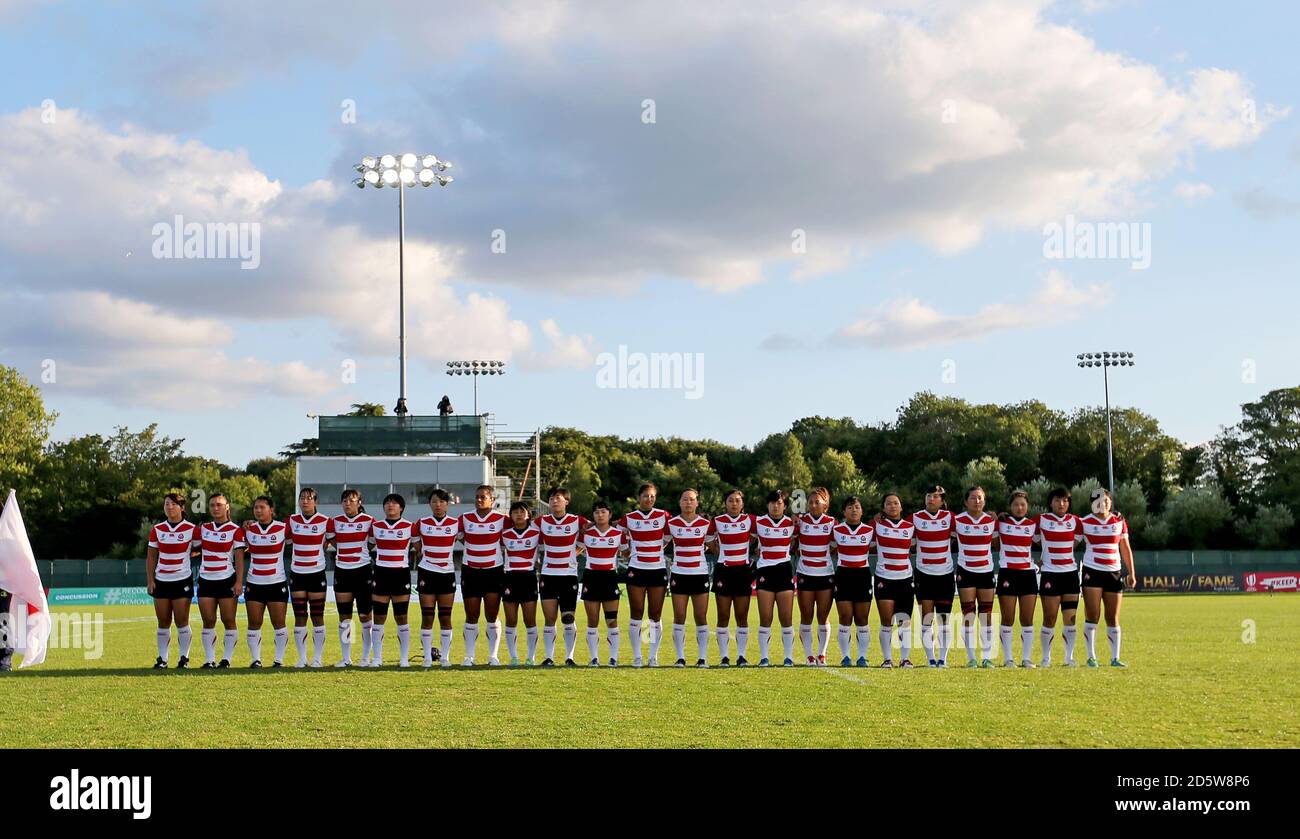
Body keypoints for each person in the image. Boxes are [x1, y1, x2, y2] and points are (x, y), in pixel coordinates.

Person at [1080, 488, 1136, 667]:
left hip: (1114, 572)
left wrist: (1132, 573)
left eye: (1105, 501)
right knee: (1093, 614)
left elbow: (1125, 548)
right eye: (1097, 500)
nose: (1102, 504)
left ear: (1110, 503)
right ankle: (1091, 657)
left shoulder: (1119, 521)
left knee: (1112, 617)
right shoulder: (1084, 522)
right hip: (1092, 571)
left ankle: (1115, 658)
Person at [146, 492, 199, 668]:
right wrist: (150, 579)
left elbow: (203, 548)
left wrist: (190, 554)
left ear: (182, 508)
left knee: (182, 620)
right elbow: (151, 557)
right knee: (163, 621)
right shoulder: (157, 529)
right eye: (167, 504)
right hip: (161, 580)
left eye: (173, 504)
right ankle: (163, 659)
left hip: (182, 580)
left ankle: (184, 658)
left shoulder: (192, 529)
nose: (169, 507)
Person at [620, 483, 671, 667]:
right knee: (636, 613)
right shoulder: (629, 518)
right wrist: (627, 551)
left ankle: (652, 657)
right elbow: (619, 537)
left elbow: (666, 539)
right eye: (645, 496)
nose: (649, 499)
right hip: (636, 569)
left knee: (655, 615)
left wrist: (655, 551)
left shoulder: (663, 516)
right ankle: (637, 656)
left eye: (652, 496)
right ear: (639, 497)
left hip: (657, 569)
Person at [458, 485, 508, 666]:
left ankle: (493, 656)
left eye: (483, 497)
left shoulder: (502, 519)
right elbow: (460, 537)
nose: (479, 500)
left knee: (492, 614)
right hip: (470, 571)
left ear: (492, 500)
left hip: (493, 571)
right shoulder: (464, 518)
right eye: (477, 496)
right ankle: (469, 656)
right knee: (471, 615)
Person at [537, 487, 587, 667]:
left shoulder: (577, 521)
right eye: (551, 498)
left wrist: (574, 554)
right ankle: (549, 657)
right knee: (550, 619)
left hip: (568, 576)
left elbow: (593, 529)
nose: (554, 501)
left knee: (568, 618)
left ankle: (570, 657)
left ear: (566, 501)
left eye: (558, 498)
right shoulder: (541, 521)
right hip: (548, 575)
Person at [1035, 487, 1083, 666]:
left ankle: (1068, 658)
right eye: (1057, 500)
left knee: (1070, 619)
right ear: (1050, 502)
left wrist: (1116, 515)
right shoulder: (1041, 520)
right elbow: (1025, 531)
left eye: (1064, 500)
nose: (1061, 504)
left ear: (1069, 503)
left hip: (1070, 575)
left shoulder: (1077, 521)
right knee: (1050, 618)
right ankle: (1046, 658)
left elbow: (1097, 522)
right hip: (1050, 575)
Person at [196, 493, 244, 668]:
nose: (215, 508)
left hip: (227, 580)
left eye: (219, 505)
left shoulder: (235, 530)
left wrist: (239, 582)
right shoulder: (203, 528)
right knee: (208, 620)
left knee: (228, 619)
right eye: (212, 505)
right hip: (206, 580)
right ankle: (209, 660)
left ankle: (227, 659)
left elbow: (239, 559)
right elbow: (190, 546)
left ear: (227, 507)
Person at [242, 496, 290, 667]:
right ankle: (256, 659)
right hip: (254, 582)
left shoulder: (283, 528)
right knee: (254, 623)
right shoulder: (248, 529)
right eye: (256, 507)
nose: (258, 510)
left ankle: (279, 660)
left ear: (271, 510)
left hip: (276, 582)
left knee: (279, 623)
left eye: (262, 507)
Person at [368, 493, 416, 667]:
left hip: (401, 574)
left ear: (401, 508)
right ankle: (377, 658)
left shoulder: (410, 527)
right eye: (387, 503)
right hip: (380, 574)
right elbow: (369, 545)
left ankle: (404, 658)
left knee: (401, 616)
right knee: (379, 617)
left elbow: (419, 547)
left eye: (394, 503)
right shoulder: (375, 527)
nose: (390, 506)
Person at [667, 488, 713, 667]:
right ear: (680, 502)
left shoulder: (705, 524)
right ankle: (680, 657)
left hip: (699, 574)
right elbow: (661, 541)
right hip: (679, 573)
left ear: (697, 503)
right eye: (685, 499)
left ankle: (702, 658)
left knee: (701, 616)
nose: (688, 502)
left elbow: (712, 545)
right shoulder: (671, 523)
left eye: (691, 499)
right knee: (679, 616)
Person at [328, 489, 374, 667]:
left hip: (362, 571)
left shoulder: (369, 521)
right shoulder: (335, 522)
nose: (347, 503)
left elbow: (371, 542)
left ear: (359, 502)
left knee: (365, 616)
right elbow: (333, 542)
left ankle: (365, 657)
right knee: (345, 617)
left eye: (351, 500)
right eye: (345, 501)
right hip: (342, 571)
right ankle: (346, 658)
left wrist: (359, 553)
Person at [954, 486, 998, 668]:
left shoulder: (992, 521)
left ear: (985, 501)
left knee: (986, 616)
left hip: (986, 571)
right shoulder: (956, 520)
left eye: (980, 498)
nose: (977, 501)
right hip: (966, 571)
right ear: (966, 502)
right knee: (969, 615)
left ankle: (986, 657)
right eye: (973, 498)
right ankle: (971, 658)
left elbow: (997, 543)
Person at [710, 489, 755, 666]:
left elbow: (755, 537)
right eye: (730, 500)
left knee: (742, 615)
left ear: (742, 504)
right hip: (724, 570)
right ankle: (724, 657)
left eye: (737, 501)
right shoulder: (718, 521)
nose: (734, 504)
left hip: (743, 571)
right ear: (725, 503)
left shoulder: (751, 520)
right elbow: (708, 540)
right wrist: (720, 554)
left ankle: (741, 655)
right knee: (723, 615)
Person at [912, 486, 956, 667]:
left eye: (936, 496)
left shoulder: (951, 518)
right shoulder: (914, 518)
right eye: (928, 495)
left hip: (945, 575)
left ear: (942, 500)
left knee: (944, 619)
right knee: (927, 619)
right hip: (923, 575)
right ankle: (930, 658)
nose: (931, 499)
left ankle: (942, 659)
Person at [287, 487, 331, 667]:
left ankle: (318, 658)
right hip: (297, 574)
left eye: (309, 498)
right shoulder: (291, 520)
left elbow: (332, 541)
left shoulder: (326, 521)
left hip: (316, 573)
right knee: (299, 616)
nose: (305, 501)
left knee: (318, 615)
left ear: (316, 502)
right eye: (302, 498)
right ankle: (302, 657)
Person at [415, 488, 459, 668]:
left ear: (447, 504)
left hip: (447, 573)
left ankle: (445, 657)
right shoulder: (421, 523)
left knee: (445, 617)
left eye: (441, 502)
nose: (438, 505)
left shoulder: (456, 524)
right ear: (429, 504)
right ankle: (427, 657)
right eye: (434, 502)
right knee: (427, 616)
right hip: (427, 572)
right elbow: (417, 547)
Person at [872, 493, 916, 668]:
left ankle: (905, 658)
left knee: (904, 620)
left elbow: (914, 547)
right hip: (884, 578)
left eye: (896, 503)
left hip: (905, 578)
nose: (892, 506)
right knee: (886, 620)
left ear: (901, 507)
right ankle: (887, 658)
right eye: (888, 503)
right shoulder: (876, 526)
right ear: (883, 508)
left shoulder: (911, 527)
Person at [753, 490, 797, 667]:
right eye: (772, 502)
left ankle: (788, 657)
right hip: (765, 571)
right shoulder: (757, 522)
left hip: (784, 570)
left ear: (785, 506)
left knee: (786, 617)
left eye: (779, 503)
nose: (775, 506)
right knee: (766, 617)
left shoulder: (793, 523)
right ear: (767, 505)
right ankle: (764, 657)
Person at [997, 490, 1039, 667]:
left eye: (1023, 504)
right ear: (1010, 507)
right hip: (1008, 573)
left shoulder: (1033, 525)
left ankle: (1026, 658)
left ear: (1027, 506)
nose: (1019, 508)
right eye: (1016, 504)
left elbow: (1048, 540)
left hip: (1028, 574)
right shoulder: (1000, 523)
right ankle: (1008, 659)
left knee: (1027, 619)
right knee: (1008, 618)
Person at [795, 487, 837, 666]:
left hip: (825, 574)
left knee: (823, 616)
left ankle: (822, 654)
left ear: (825, 505)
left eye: (817, 502)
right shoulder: (800, 521)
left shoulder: (832, 523)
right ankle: (809, 655)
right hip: (805, 573)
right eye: (810, 502)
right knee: (806, 615)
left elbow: (836, 545)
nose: (813, 505)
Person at [579, 501, 624, 666]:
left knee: (612, 620)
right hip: (591, 577)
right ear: (593, 516)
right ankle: (594, 658)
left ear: (610, 515)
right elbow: (576, 550)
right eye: (597, 512)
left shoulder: (618, 534)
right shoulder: (586, 534)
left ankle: (613, 658)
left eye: (603, 512)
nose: (600, 515)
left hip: (610, 577)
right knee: (592, 620)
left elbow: (626, 552)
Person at [830, 495, 873, 667]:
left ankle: (862, 656)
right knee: (845, 616)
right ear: (844, 511)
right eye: (849, 507)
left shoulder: (870, 530)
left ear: (862, 510)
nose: (853, 510)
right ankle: (845, 656)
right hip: (843, 575)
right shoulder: (836, 530)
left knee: (862, 617)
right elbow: (830, 548)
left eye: (856, 507)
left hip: (862, 575)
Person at [501, 501, 541, 667]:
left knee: (529, 619)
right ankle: (514, 657)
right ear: (510, 515)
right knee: (511, 620)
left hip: (529, 577)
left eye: (522, 511)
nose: (518, 514)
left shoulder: (537, 532)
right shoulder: (504, 533)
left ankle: (531, 657)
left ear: (528, 514)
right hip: (510, 578)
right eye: (515, 511)